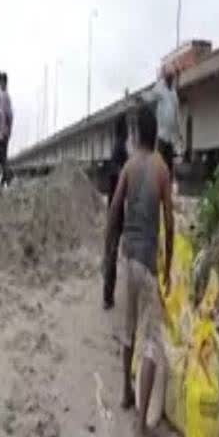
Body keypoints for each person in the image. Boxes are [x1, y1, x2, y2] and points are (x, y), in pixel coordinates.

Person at [105, 106, 173, 437]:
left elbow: (115, 206)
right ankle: (142, 429)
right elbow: (171, 222)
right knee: (152, 340)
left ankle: (126, 394)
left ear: (136, 134)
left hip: (128, 257)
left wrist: (111, 243)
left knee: (129, 328)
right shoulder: (161, 168)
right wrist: (170, 261)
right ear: (156, 133)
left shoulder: (130, 167)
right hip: (147, 263)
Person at [103, 114, 130, 310]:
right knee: (116, 252)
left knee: (111, 251)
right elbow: (119, 174)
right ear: (125, 131)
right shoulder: (121, 149)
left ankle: (108, 296)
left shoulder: (115, 148)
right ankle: (109, 296)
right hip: (118, 209)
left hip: (112, 206)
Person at [140, 66, 181, 177]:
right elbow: (150, 96)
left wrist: (179, 133)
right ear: (165, 78)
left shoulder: (174, 94)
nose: (170, 80)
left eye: (171, 78)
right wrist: (141, 96)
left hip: (171, 136)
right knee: (159, 163)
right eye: (168, 77)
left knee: (169, 165)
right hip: (162, 134)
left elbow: (177, 114)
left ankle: (168, 185)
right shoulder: (160, 88)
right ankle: (157, 183)